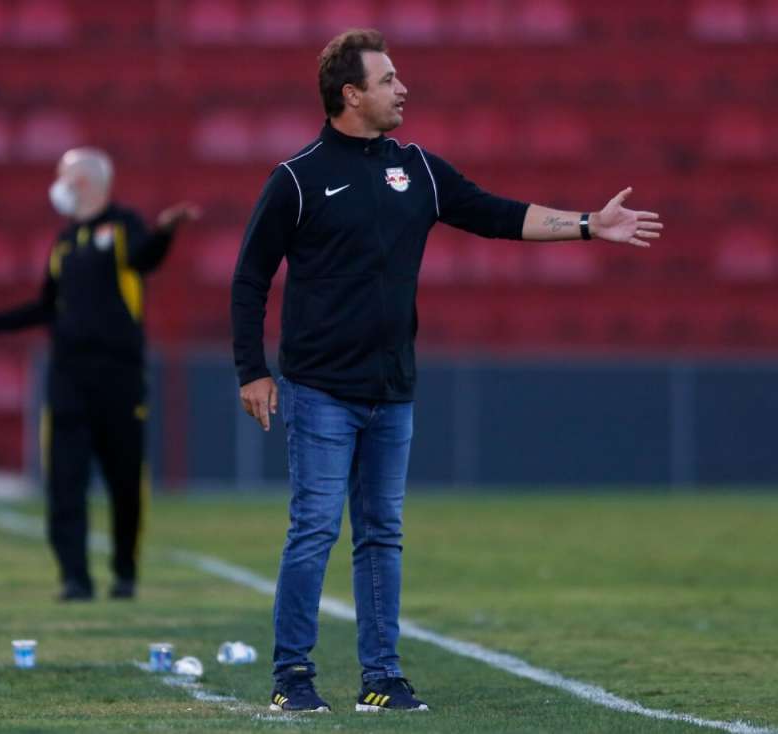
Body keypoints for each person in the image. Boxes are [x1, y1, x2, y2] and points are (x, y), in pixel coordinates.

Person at [231, 29, 663, 713]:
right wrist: (252, 370)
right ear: (352, 94)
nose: (403, 88)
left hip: (392, 391)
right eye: (388, 79)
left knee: (381, 534)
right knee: (315, 527)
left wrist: (590, 224)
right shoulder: (298, 177)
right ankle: (293, 676)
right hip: (317, 390)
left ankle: (382, 677)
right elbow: (251, 276)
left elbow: (496, 214)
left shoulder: (419, 170)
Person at [0, 147, 199, 602]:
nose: (57, 185)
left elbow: (145, 258)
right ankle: (74, 578)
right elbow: (45, 307)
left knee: (125, 481)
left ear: (83, 182)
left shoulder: (124, 226)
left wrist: (164, 231)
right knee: (65, 482)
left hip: (119, 379)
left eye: (62, 176)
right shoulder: (63, 243)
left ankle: (124, 570)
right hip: (67, 380)